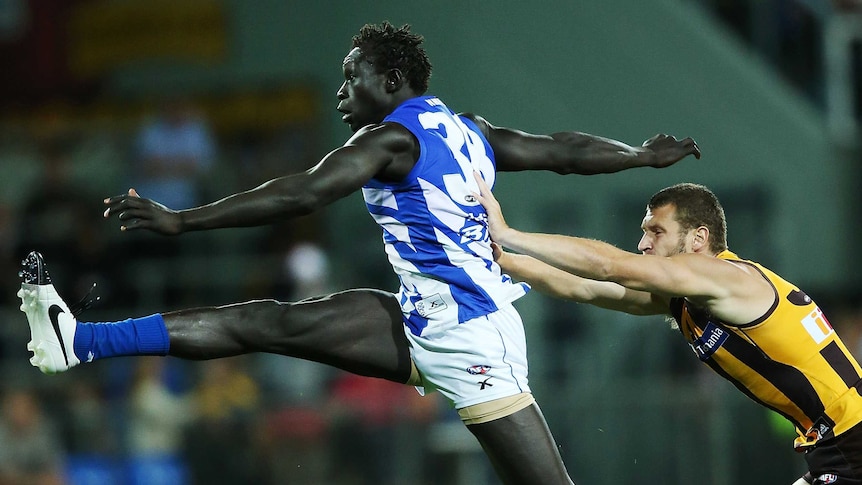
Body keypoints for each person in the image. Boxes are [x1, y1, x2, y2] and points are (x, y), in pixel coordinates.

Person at [16, 21, 699, 484]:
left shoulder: (391, 140)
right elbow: (564, 150)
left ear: (393, 78)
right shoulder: (467, 130)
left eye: (352, 76)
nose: (341, 89)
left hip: (469, 338)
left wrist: (183, 221)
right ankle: (81, 339)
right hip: (422, 318)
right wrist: (637, 154)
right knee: (266, 321)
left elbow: (302, 194)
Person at [473, 177, 862, 485]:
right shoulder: (689, 299)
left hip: (852, 440)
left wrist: (509, 234)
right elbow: (587, 287)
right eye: (644, 232)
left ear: (698, 239)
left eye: (656, 232)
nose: (643, 243)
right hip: (834, 444)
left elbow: (611, 267)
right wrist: (503, 259)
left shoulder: (726, 276)